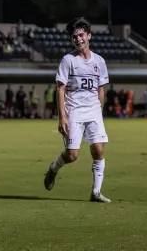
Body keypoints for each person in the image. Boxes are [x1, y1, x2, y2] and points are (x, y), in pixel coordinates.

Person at [43, 17, 111, 203]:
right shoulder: (68, 60)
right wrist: (62, 117)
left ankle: (96, 192)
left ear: (89, 36)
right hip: (74, 111)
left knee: (98, 150)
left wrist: (99, 110)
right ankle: (54, 168)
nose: (78, 39)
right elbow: (61, 88)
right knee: (72, 155)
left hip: (93, 112)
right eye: (75, 37)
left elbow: (100, 88)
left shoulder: (99, 61)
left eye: (81, 35)